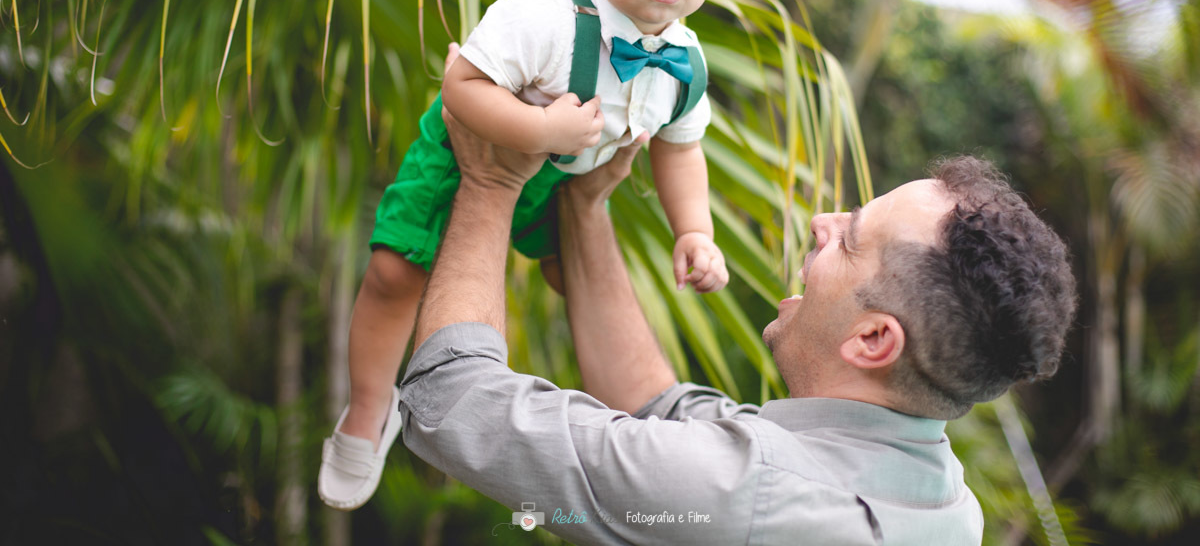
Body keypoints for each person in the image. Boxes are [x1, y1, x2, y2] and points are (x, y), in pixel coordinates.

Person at [394, 75, 1078, 544]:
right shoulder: (949, 507)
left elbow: (451, 399)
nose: (821, 220)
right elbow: (655, 409)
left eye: (851, 238)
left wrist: (490, 180)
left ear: (873, 340)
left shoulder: (751, 496)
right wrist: (584, 203)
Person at [319, 0, 734, 510]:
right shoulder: (541, 17)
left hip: (563, 178)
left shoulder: (684, 66)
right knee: (397, 271)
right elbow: (463, 88)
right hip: (468, 150)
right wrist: (539, 128)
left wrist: (695, 230)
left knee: (574, 275)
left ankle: (605, 414)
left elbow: (679, 149)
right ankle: (368, 410)